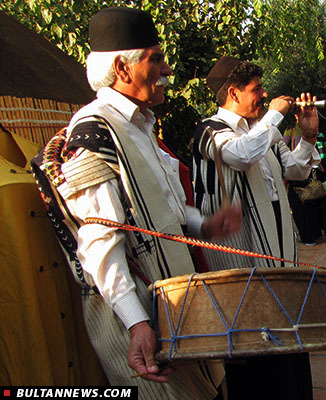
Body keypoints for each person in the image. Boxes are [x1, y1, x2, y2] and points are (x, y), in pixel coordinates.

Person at [30, 7, 242, 399]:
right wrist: (136, 323)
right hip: (140, 318)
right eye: (156, 59)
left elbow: (167, 214)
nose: (166, 70)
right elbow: (98, 242)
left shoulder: (139, 125)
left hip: (175, 306)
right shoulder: (94, 131)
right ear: (122, 69)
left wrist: (205, 225)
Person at [192, 56, 320, 399]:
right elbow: (240, 155)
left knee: (285, 328)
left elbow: (294, 170)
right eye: (256, 89)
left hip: (278, 246)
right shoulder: (210, 129)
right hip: (242, 254)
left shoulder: (264, 131)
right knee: (252, 338)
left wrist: (307, 138)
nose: (264, 95)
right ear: (233, 93)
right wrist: (275, 114)